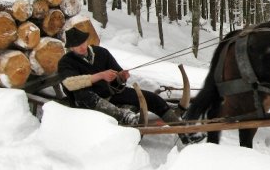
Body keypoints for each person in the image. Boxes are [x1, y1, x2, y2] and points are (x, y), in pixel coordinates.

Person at [57, 27, 204, 144]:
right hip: (87, 101)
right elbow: (70, 83)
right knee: (84, 95)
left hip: (110, 94)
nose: (81, 47)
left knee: (152, 98)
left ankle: (183, 131)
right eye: (76, 46)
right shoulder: (66, 62)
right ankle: (126, 117)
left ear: (86, 40)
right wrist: (100, 76)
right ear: (71, 48)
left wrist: (121, 77)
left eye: (82, 43)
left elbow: (118, 76)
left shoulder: (101, 53)